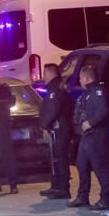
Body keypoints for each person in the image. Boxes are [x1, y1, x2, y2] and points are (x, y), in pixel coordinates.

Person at [69, 65, 109, 211]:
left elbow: (103, 110)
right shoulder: (88, 93)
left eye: (81, 78)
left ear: (88, 78)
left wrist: (90, 123)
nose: (80, 80)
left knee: (100, 168)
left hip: (96, 136)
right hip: (86, 138)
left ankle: (105, 200)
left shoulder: (98, 92)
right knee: (81, 165)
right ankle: (83, 197)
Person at [37, 63, 74, 200]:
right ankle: (56, 187)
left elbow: (52, 111)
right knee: (55, 159)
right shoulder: (54, 88)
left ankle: (63, 189)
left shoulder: (55, 90)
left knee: (60, 159)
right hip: (56, 129)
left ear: (52, 74)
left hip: (59, 129)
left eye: (45, 73)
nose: (43, 76)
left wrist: (44, 126)